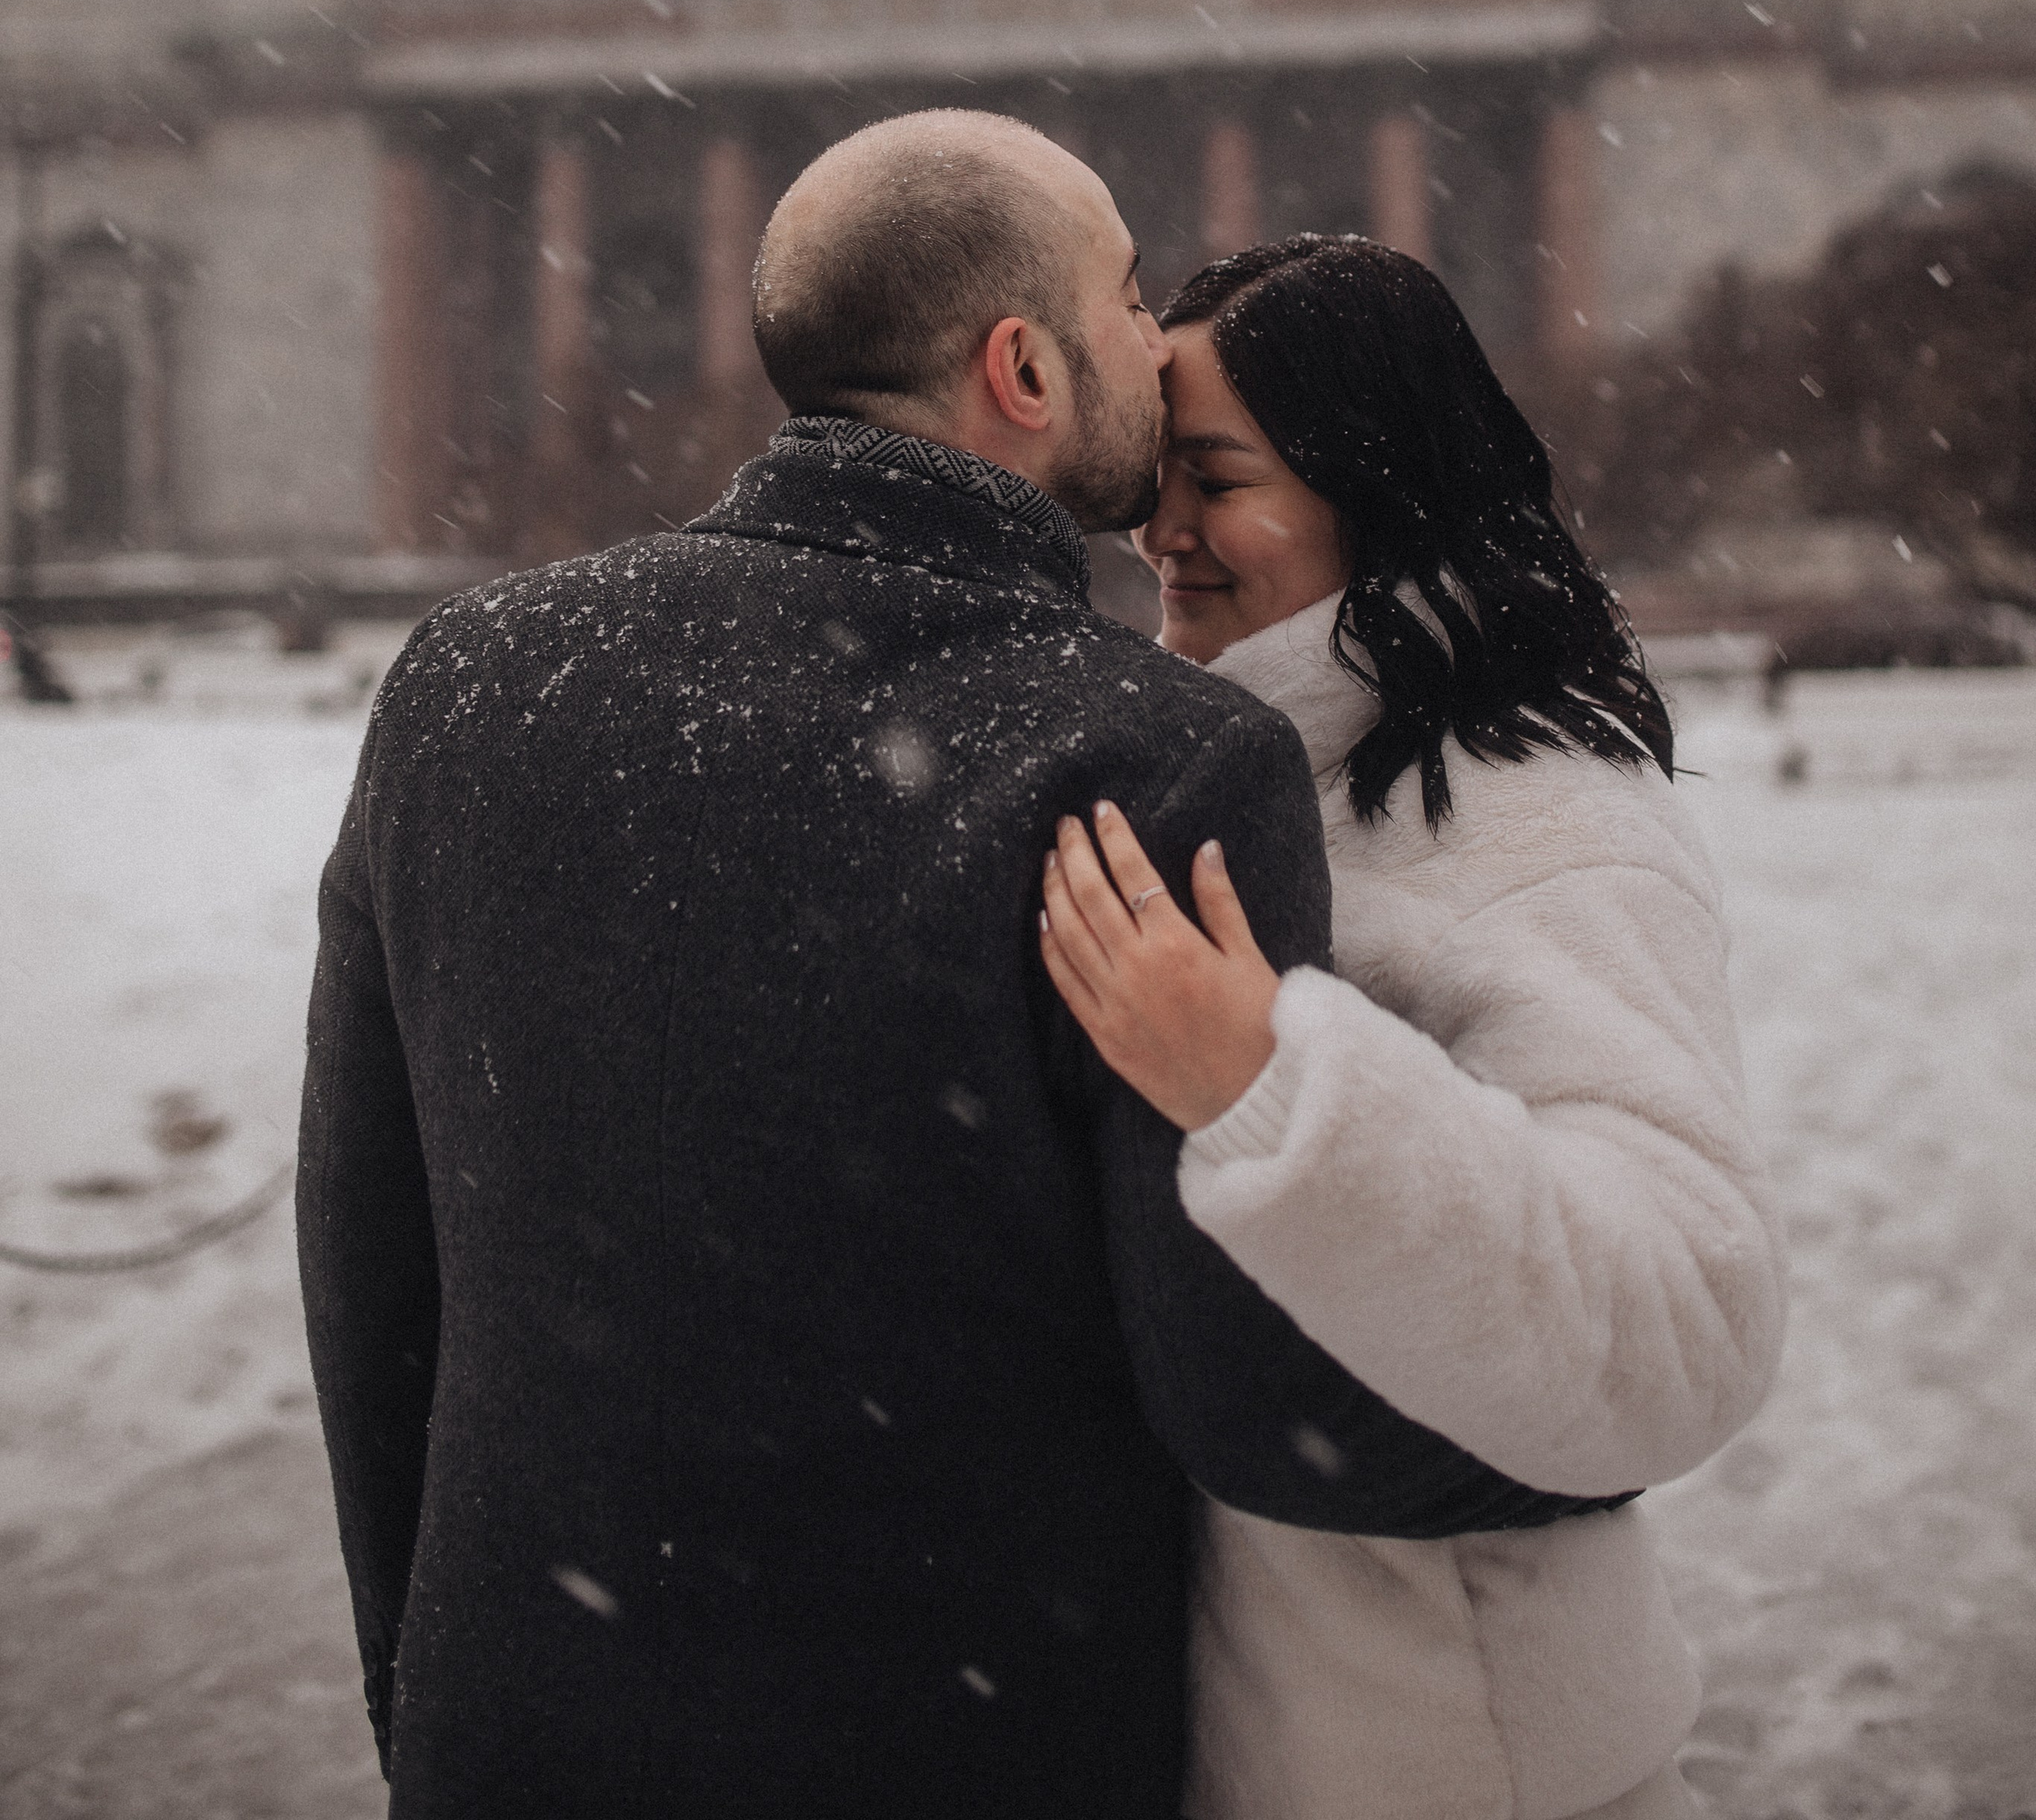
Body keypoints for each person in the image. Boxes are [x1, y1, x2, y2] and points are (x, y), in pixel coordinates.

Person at [299, 118, 1621, 1820]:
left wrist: (423, 1680)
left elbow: (366, 1262)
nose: (1158, 342)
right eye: (1128, 295)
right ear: (1020, 367)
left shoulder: (464, 682)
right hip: (962, 1747)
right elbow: (1242, 1399)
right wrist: (1575, 1446)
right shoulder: (1151, 759)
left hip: (518, 1737)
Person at [1041, 235, 1786, 1820]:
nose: (1161, 530)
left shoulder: (1535, 811)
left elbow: (1685, 1320)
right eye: (1153, 475)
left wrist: (1270, 1086)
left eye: (1216, 477)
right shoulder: (1232, 771)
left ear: (1368, 485)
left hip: (1465, 1772)